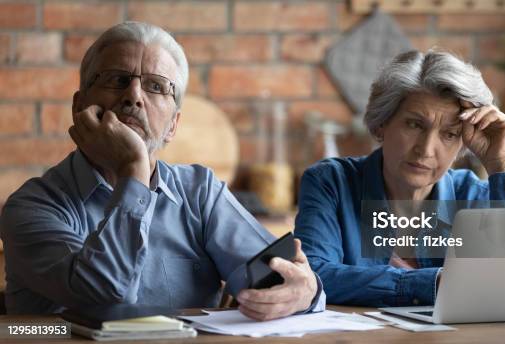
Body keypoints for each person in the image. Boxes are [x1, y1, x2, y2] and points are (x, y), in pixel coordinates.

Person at [0, 22, 324, 318]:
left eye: (155, 86)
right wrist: (133, 170)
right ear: (78, 105)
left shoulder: (200, 192)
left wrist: (305, 292)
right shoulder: (32, 206)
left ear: (173, 125)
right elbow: (106, 295)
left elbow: (275, 275)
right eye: (117, 80)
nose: (134, 96)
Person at [294, 50, 505, 307]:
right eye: (414, 125)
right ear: (381, 124)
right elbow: (313, 275)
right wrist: (434, 283)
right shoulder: (331, 183)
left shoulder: (473, 196)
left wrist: (502, 164)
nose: (426, 149)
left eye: (449, 134)